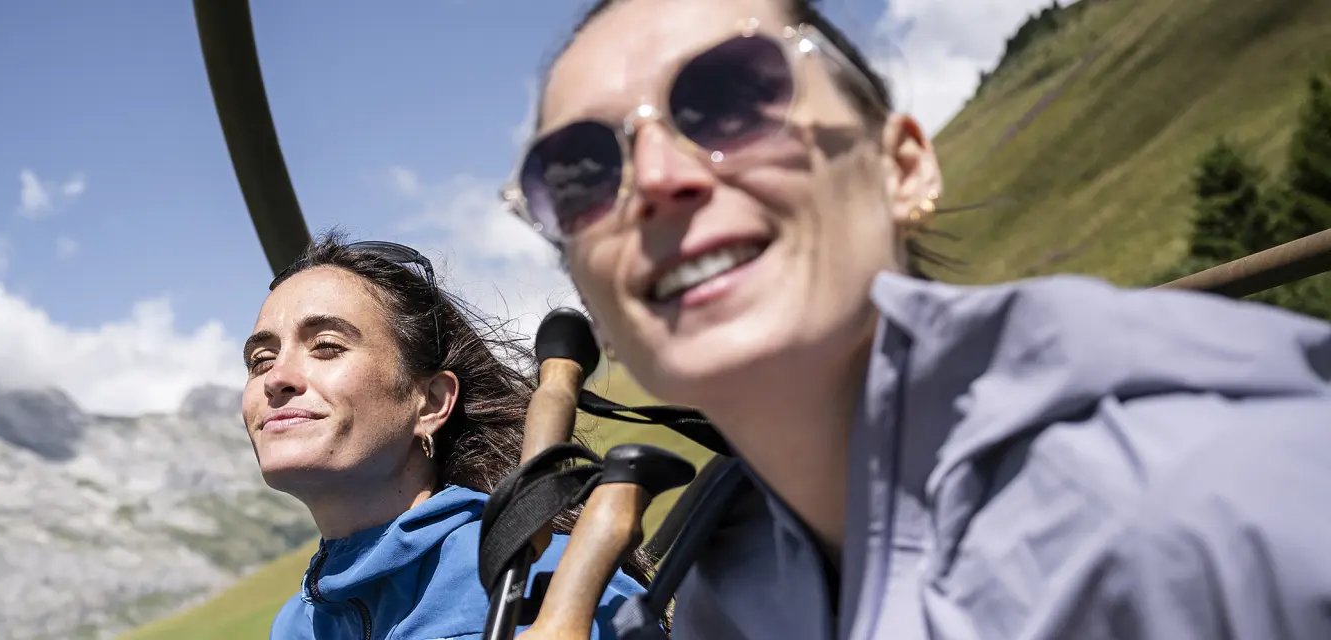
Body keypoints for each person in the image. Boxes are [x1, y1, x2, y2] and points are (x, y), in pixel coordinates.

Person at [501, 0, 1331, 638]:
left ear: (903, 169)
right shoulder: (727, 583)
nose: (653, 179)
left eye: (729, 99)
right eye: (577, 173)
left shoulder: (1214, 486)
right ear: (594, 306)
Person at [244, 232, 654, 639]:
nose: (276, 377)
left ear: (431, 402)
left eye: (327, 346)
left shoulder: (554, 584)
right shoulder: (297, 626)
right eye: (261, 360)